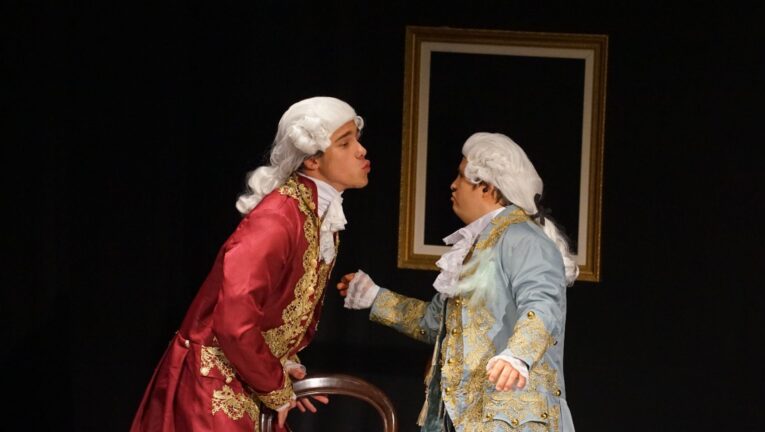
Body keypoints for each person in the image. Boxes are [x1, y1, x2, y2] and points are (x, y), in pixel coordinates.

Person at [131, 96, 371, 432]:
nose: (361, 150)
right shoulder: (278, 218)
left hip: (245, 379)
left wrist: (280, 366)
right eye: (345, 143)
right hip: (211, 387)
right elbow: (234, 319)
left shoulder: (315, 215)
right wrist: (274, 384)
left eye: (357, 139)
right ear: (312, 160)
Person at [339, 132, 578, 431]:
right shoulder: (474, 248)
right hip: (464, 417)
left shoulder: (523, 239)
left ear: (487, 187)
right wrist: (375, 297)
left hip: (510, 419)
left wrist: (518, 355)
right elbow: (436, 324)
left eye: (461, 176)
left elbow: (542, 305)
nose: (453, 185)